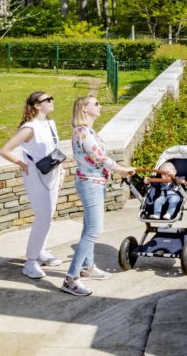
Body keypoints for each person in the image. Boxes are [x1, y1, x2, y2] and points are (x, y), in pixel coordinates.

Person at [62, 95, 135, 297]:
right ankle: (71, 278)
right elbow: (99, 157)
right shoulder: (82, 132)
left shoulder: (89, 131)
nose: (99, 106)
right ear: (84, 109)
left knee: (89, 228)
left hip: (95, 183)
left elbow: (100, 157)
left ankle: (88, 267)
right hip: (90, 184)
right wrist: (121, 169)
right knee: (94, 230)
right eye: (95, 103)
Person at [0, 90, 63, 279]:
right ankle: (31, 262)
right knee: (43, 218)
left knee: (48, 217)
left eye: (52, 98)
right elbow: (5, 150)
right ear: (37, 105)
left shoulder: (50, 124)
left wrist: (63, 169)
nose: (52, 101)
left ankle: (41, 251)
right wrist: (22, 163)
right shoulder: (29, 128)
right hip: (36, 176)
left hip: (52, 173)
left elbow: (53, 148)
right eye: (47, 99)